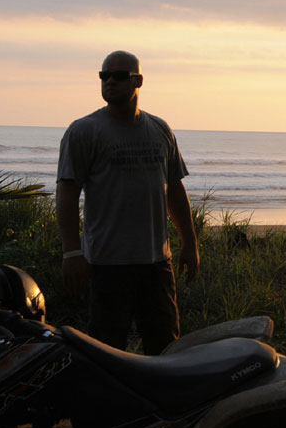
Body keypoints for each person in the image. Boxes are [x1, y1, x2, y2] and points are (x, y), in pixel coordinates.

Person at [56, 50, 200, 354]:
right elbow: (67, 193)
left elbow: (174, 190)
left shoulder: (160, 130)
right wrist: (71, 252)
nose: (109, 81)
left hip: (156, 262)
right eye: (104, 76)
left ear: (138, 81)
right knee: (107, 350)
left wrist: (190, 243)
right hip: (107, 264)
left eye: (119, 76)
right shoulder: (84, 131)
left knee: (165, 347)